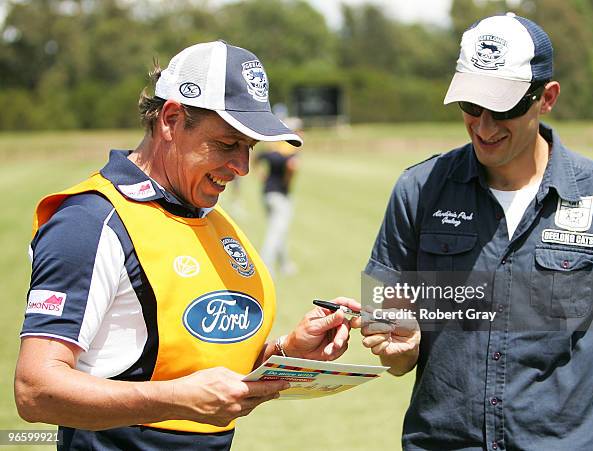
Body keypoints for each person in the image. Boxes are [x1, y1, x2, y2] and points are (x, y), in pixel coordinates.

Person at [14, 41, 359, 451]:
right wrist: (176, 400)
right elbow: (35, 389)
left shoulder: (213, 220)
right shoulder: (90, 222)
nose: (242, 167)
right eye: (228, 143)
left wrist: (287, 352)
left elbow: (199, 370)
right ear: (172, 120)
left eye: (249, 148)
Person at [360, 13, 593, 450]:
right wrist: (395, 348)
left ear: (547, 97)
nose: (485, 126)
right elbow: (389, 331)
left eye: (505, 108)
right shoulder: (416, 190)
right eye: (471, 106)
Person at [256, 117, 302, 276]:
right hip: (281, 195)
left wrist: (260, 174)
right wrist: (286, 182)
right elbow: (292, 166)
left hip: (267, 194)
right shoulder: (291, 150)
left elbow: (257, 158)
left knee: (278, 230)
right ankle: (266, 267)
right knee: (275, 233)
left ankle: (284, 265)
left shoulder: (273, 148)